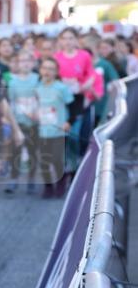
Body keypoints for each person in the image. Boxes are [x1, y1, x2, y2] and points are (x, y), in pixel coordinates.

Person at [53, 27, 95, 177]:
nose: (68, 41)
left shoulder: (84, 56)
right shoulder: (56, 57)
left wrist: (83, 86)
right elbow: (51, 76)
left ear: (76, 40)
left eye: (71, 38)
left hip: (78, 99)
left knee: (74, 133)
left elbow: (91, 75)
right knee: (61, 133)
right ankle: (65, 166)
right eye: (65, 38)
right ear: (60, 40)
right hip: (61, 101)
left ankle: (75, 164)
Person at [35, 56, 74, 198]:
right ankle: (48, 187)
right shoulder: (37, 87)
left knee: (57, 160)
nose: (47, 72)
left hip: (59, 131)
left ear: (57, 72)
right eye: (45, 68)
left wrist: (69, 122)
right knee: (44, 161)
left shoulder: (61, 88)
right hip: (42, 131)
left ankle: (61, 180)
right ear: (40, 70)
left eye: (51, 69)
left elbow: (73, 106)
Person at [6, 49, 40, 193]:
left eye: (28, 61)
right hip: (18, 122)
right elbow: (9, 103)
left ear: (33, 63)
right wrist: (11, 123)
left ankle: (31, 179)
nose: (25, 64)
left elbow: (42, 98)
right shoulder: (12, 81)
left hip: (34, 122)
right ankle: (14, 179)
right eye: (22, 61)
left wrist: (38, 113)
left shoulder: (37, 79)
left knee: (33, 151)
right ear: (17, 64)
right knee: (16, 152)